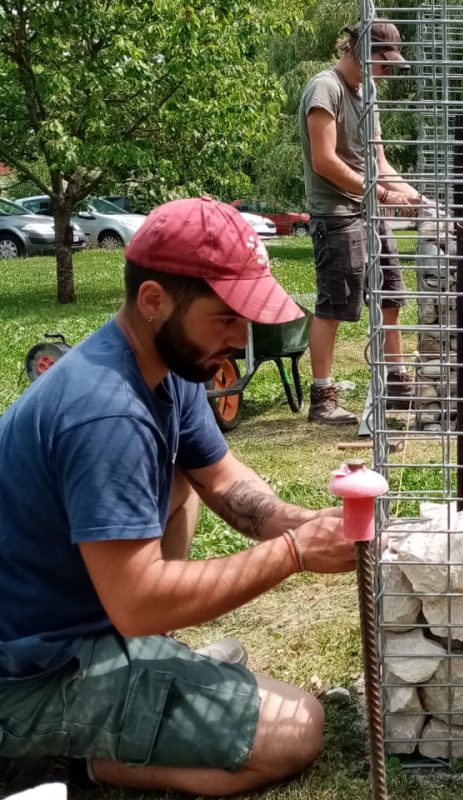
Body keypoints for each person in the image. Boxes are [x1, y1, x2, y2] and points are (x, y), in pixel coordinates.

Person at [0, 198, 357, 796]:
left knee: (181, 479)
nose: (241, 338)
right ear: (153, 300)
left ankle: (139, 672)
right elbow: (137, 602)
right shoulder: (106, 413)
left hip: (82, 626)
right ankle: (72, 758)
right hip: (28, 673)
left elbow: (222, 480)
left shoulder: (166, 365)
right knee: (295, 731)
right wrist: (295, 552)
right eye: (225, 318)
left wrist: (307, 522)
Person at [299, 20, 422, 425]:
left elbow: (379, 162)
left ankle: (397, 383)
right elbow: (325, 162)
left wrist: (416, 197)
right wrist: (385, 195)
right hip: (336, 214)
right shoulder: (326, 88)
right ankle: (323, 397)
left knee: (391, 296)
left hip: (370, 207)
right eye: (383, 63)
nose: (386, 73)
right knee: (335, 304)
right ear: (359, 49)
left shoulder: (366, 92)